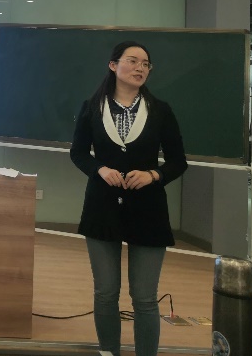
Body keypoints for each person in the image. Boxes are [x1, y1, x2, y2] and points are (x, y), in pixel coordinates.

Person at [70, 41, 188, 356]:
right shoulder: (92, 106)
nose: (140, 68)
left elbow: (178, 161)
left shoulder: (160, 110)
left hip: (148, 210)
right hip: (102, 208)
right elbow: (78, 153)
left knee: (145, 298)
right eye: (133, 61)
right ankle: (109, 352)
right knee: (106, 293)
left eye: (145, 64)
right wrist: (99, 169)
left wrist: (154, 175)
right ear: (113, 65)